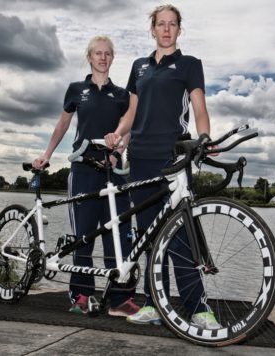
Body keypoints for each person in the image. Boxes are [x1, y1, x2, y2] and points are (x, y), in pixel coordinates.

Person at [105, 4, 220, 329]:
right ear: (153, 29)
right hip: (140, 158)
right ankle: (155, 302)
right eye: (161, 24)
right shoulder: (139, 67)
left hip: (173, 158)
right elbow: (131, 112)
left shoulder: (189, 65)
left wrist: (204, 137)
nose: (166, 29)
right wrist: (118, 134)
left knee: (182, 236)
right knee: (150, 236)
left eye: (172, 24)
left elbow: (199, 108)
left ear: (179, 30)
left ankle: (198, 308)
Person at [33, 36, 139, 317]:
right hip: (83, 170)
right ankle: (81, 295)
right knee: (84, 236)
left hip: (114, 172)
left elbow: (127, 130)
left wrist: (118, 151)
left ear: (112, 58)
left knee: (119, 235)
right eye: (97, 54)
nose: (103, 58)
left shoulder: (122, 95)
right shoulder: (76, 90)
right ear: (89, 57)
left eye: (107, 54)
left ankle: (120, 299)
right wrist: (47, 155)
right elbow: (63, 124)